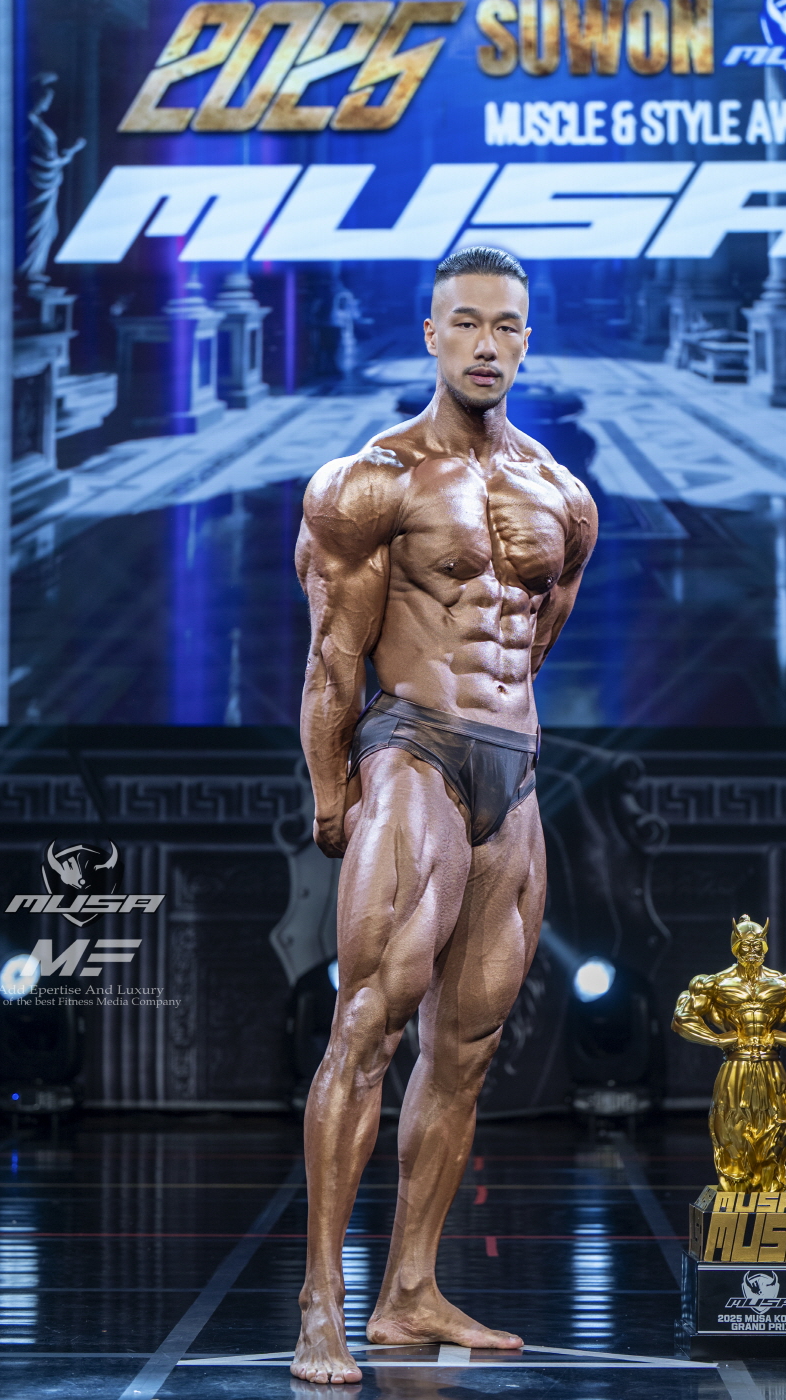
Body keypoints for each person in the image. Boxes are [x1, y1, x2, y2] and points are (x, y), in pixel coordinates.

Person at [292, 246, 597, 1383]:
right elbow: (334, 655)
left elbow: (534, 640)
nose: (486, 344)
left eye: (506, 325)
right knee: (368, 1025)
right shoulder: (371, 481)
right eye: (464, 322)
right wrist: (333, 789)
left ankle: (408, 1292)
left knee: (464, 1051)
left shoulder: (564, 495)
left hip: (512, 769)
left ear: (526, 340)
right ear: (430, 334)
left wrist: (497, 737)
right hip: (413, 749)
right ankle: (322, 1302)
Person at [671, 914, 786, 1192]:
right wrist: (716, 1039)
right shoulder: (715, 983)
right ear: (735, 947)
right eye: (746, 946)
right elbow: (681, 1019)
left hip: (770, 1064)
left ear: (765, 946)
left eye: (758, 945)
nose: (752, 951)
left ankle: (769, 1187)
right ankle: (736, 1188)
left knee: (778, 1125)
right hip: (736, 1064)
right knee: (731, 1128)